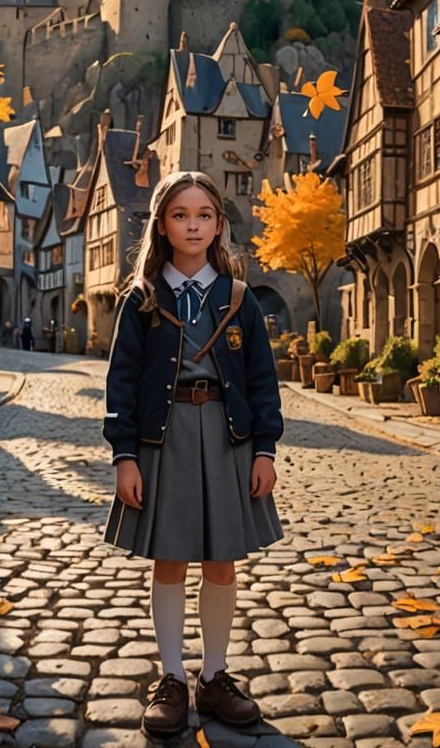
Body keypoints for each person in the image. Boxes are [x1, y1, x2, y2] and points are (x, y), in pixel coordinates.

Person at [101, 170, 284, 738]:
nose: (193, 224)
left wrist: (266, 450)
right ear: (162, 224)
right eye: (180, 214)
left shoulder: (237, 299)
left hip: (231, 441)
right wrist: (124, 456)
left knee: (222, 561)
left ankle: (215, 674)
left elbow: (262, 380)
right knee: (172, 559)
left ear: (219, 224)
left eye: (204, 214)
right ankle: (173, 678)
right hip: (166, 439)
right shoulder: (143, 299)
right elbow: (121, 382)